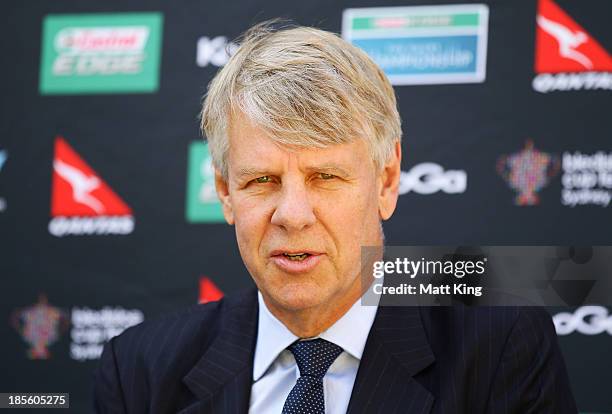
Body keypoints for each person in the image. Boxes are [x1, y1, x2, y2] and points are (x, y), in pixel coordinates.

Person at [94, 21, 577, 414]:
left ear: (386, 181)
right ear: (224, 192)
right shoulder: (140, 369)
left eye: (325, 176)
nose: (293, 215)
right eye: (261, 181)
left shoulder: (498, 343)